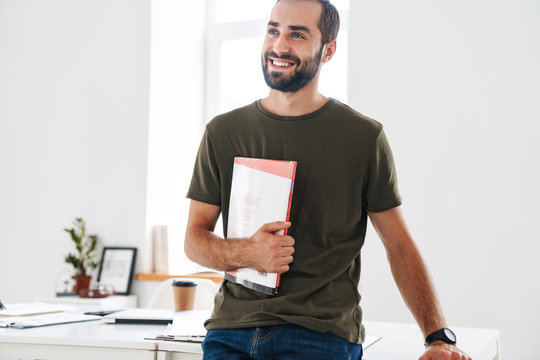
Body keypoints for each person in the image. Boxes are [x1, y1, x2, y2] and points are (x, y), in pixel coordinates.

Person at [185, 0, 471, 359]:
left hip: (319, 336)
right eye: (273, 30)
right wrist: (248, 252)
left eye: (297, 35)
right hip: (230, 332)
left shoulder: (362, 138)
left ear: (329, 49)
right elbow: (194, 240)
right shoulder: (223, 132)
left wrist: (438, 337)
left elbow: (399, 246)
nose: (279, 46)